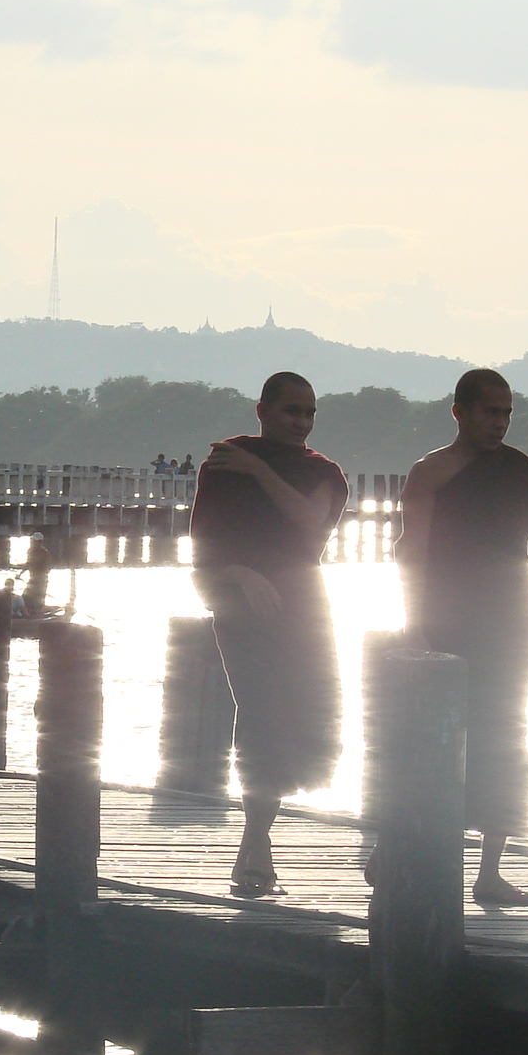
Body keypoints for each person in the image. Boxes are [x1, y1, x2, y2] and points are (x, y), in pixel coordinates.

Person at [395, 367, 528, 906]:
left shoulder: (516, 469)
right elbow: (410, 550)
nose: (499, 423)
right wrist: (414, 620)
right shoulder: (432, 472)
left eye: (507, 413)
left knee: (506, 739)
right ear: (459, 412)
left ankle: (491, 871)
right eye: (490, 412)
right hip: (449, 616)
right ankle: (396, 845)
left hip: (512, 616)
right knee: (436, 736)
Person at [190, 370, 348, 898]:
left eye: (309, 413)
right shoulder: (224, 463)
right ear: (262, 410)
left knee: (306, 720)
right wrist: (238, 573)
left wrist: (258, 468)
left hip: (303, 606)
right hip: (240, 607)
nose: (301, 422)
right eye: (290, 411)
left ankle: (261, 837)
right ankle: (255, 844)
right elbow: (204, 543)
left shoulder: (322, 471)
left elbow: (308, 522)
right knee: (261, 714)